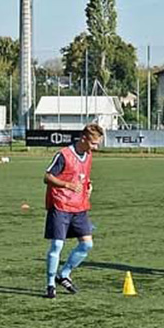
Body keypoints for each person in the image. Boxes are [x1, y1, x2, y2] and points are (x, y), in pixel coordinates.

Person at [43, 123, 104, 299]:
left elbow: (83, 176)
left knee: (87, 244)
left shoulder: (88, 155)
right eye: (93, 143)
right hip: (61, 204)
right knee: (57, 245)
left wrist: (88, 185)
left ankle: (64, 274)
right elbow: (47, 176)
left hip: (80, 206)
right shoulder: (64, 155)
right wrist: (67, 185)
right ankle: (50, 284)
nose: (96, 147)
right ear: (83, 139)